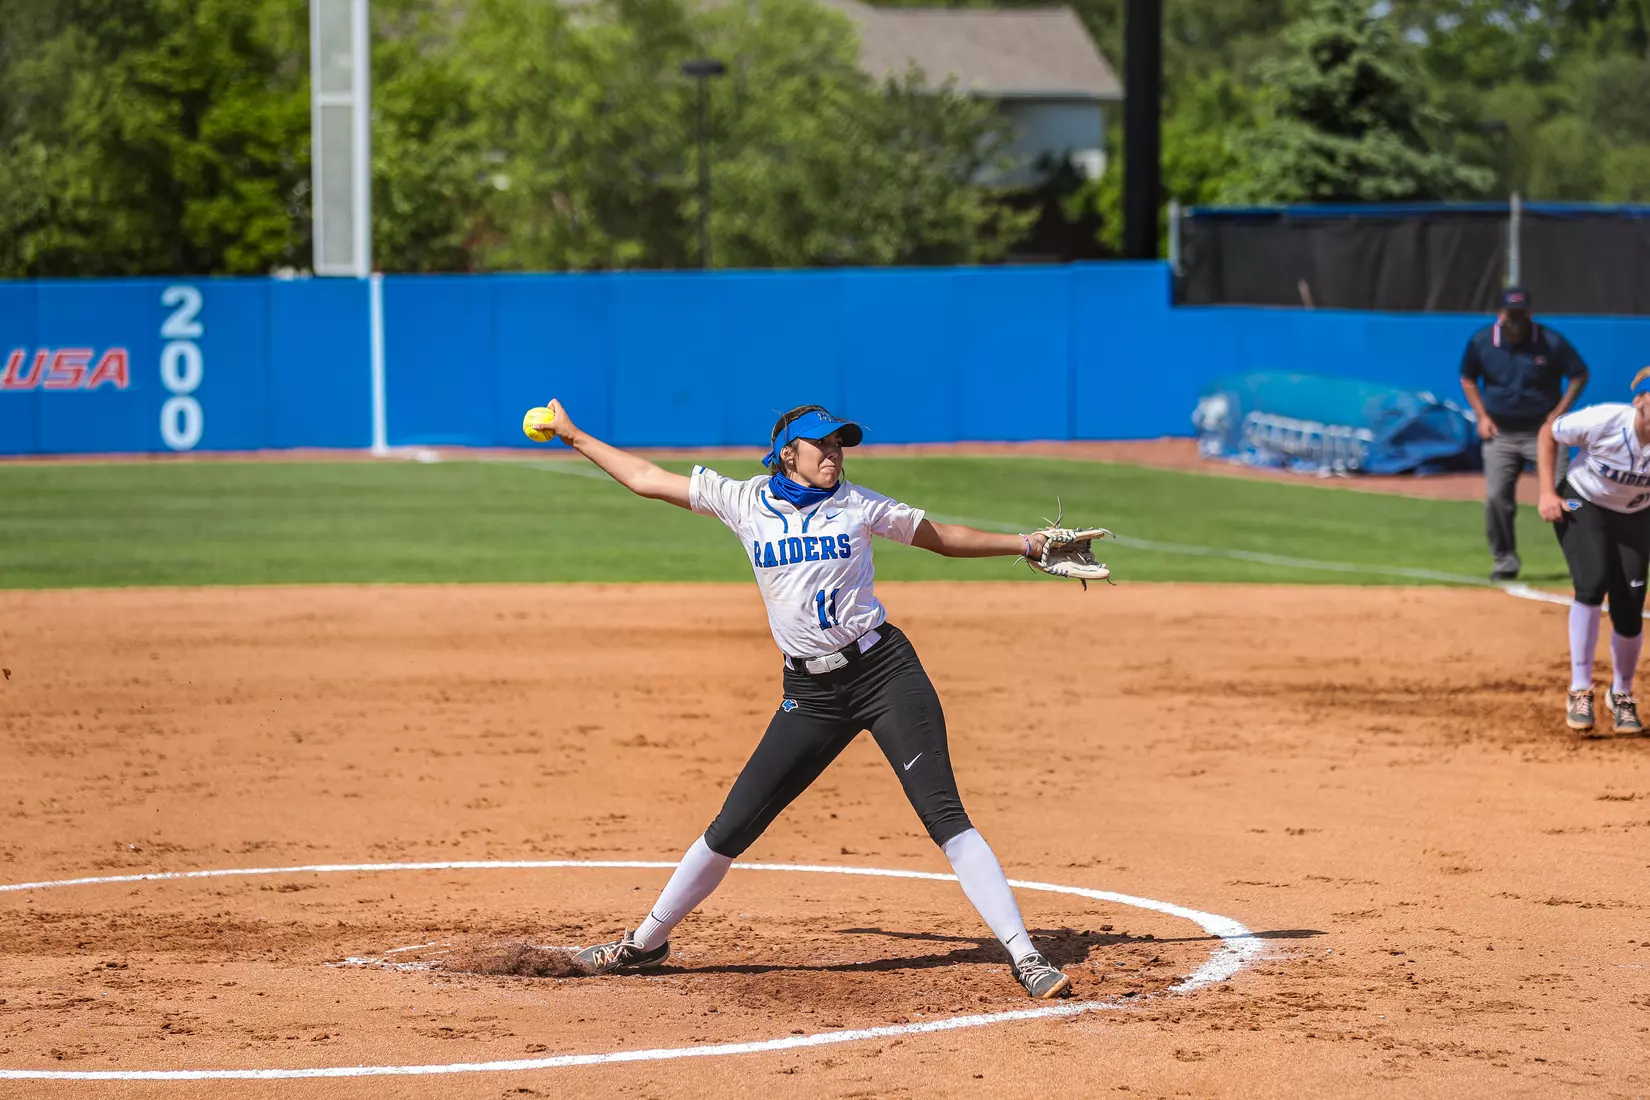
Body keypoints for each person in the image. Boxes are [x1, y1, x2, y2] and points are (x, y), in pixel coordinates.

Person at [535, 399, 1086, 999]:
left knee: (945, 816)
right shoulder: (743, 500)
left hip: (885, 674)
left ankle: (1026, 955)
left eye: (838, 443)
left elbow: (942, 538)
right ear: (786, 454)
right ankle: (644, 944)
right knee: (732, 825)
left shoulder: (858, 504)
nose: (833, 453)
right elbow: (646, 478)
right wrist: (573, 435)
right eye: (821, 444)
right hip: (811, 692)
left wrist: (1025, 544)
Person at [1536, 368, 1650, 736]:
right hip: (1583, 503)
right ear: (1639, 401)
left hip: (1635, 515)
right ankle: (1580, 689)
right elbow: (1549, 432)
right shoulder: (1605, 420)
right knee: (1592, 581)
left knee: (1630, 606)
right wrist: (1546, 492)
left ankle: (1622, 694)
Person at [1460, 287, 1589, 581]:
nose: (1516, 320)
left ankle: (1583, 563)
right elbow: (1468, 378)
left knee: (1565, 495)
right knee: (1496, 498)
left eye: (1521, 314)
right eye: (1511, 314)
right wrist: (1481, 416)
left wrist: (1558, 413)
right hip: (1501, 434)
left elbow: (1579, 374)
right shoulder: (1482, 341)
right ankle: (1504, 561)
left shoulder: (1550, 341)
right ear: (1500, 314)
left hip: (1543, 433)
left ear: (1529, 313)